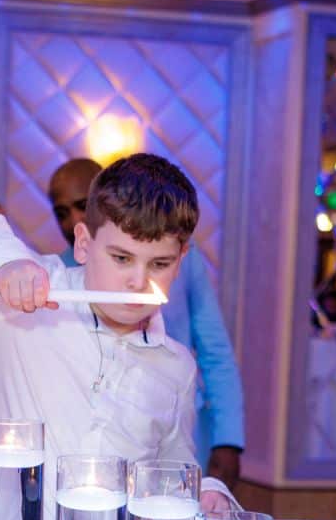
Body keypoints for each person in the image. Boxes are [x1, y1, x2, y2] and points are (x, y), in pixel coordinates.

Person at [0, 153, 236, 520]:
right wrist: (6, 260)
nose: (138, 281)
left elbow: (170, 470)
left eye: (159, 264)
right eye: (121, 258)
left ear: (182, 258)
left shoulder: (177, 367)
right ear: (83, 243)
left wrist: (207, 493)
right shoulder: (21, 296)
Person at [47, 157, 245, 487]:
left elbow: (214, 347)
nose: (72, 220)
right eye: (61, 213)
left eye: (81, 205)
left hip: (175, 418)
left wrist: (229, 438)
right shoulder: (58, 276)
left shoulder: (180, 258)